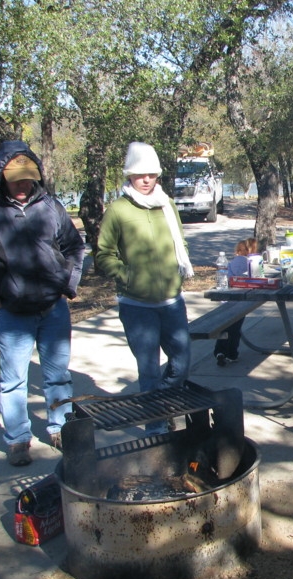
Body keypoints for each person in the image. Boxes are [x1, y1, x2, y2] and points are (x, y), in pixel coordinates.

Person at [0, 141, 85, 466]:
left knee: (58, 376)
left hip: (53, 308)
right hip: (13, 313)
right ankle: (18, 440)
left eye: (29, 178)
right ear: (2, 177)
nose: (24, 185)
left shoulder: (50, 206)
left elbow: (73, 245)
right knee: (14, 381)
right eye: (17, 180)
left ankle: (60, 429)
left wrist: (67, 285)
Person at [97, 142, 194, 435]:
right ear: (129, 176)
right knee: (149, 370)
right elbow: (103, 254)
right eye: (140, 174)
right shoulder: (118, 210)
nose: (146, 179)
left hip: (171, 302)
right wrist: (127, 277)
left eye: (151, 173)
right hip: (137, 306)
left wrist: (177, 274)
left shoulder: (167, 204)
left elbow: (182, 242)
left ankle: (161, 404)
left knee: (182, 362)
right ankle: (156, 429)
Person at [214, 238, 257, 366]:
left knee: (225, 327)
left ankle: (219, 351)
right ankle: (232, 353)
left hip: (227, 298)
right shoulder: (250, 262)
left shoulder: (231, 263)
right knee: (235, 329)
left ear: (237, 251)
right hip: (241, 300)